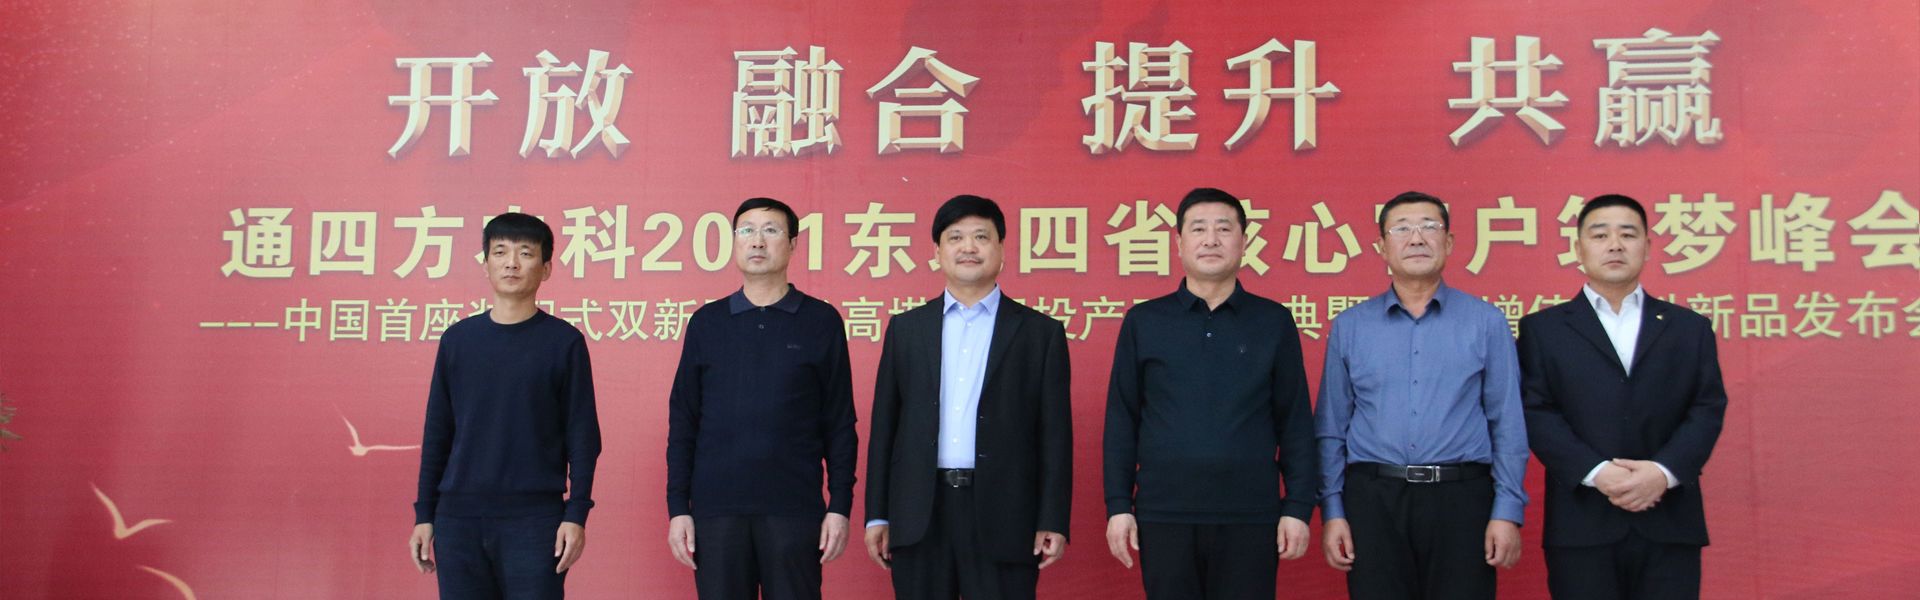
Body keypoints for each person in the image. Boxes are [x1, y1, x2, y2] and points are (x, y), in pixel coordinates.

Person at [1103, 187, 1320, 599]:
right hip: (1164, 513)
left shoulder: (1272, 321)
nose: (1211, 239)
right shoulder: (1144, 321)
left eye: (1224, 228)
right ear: (1179, 243)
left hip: (1250, 515)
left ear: (1244, 241)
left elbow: (1294, 420)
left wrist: (1297, 506)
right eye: (1198, 228)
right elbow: (1122, 420)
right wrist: (1118, 506)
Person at [1315, 191, 1528, 600]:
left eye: (1429, 227)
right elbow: (1331, 427)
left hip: (1461, 498)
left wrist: (1507, 511)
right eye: (1401, 229)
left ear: (1449, 242)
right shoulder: (1351, 326)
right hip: (1373, 499)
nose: (1416, 238)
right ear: (1381, 247)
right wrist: (1333, 510)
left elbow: (1507, 423)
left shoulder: (1486, 322)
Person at [863, 194, 1073, 600]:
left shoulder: (1039, 333)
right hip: (920, 512)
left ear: (1002, 250)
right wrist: (878, 515)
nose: (969, 247)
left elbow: (1055, 435)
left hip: (1006, 514)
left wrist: (1052, 518)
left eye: (981, 236)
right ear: (937, 252)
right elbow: (885, 429)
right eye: (955, 237)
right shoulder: (907, 329)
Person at [1518, 194, 1727, 600]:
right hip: (1582, 523)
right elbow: (1535, 411)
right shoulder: (1543, 330)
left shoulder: (1689, 328)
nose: (1615, 245)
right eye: (1600, 235)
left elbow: (1707, 408)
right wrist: (1597, 472)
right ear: (1578, 248)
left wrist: (1662, 473)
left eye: (1628, 235)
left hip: (1669, 520)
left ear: (1647, 247)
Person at [665, 197, 860, 599]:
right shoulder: (707, 323)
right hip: (717, 511)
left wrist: (839, 505)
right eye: (747, 231)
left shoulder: (821, 321)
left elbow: (840, 422)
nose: (757, 241)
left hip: (794, 509)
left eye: (770, 230)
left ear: (793, 244)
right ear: (734, 242)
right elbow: (684, 420)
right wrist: (679, 508)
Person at [410, 212, 602, 599]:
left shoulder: (563, 343)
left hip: (534, 520)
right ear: (485, 264)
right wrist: (425, 514)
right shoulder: (458, 341)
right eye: (500, 252)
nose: (511, 263)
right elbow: (438, 434)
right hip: (458, 518)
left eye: (525, 253)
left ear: (546, 269)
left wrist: (576, 513)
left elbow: (583, 437)